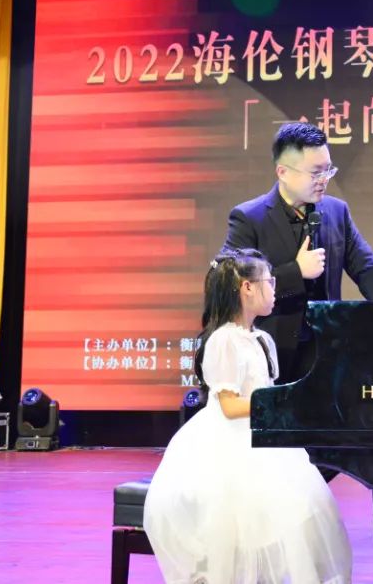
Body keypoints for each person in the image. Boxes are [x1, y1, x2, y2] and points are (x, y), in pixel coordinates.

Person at [143, 249, 352, 584]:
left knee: (303, 505)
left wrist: (282, 403)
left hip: (260, 437)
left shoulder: (261, 338)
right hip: (230, 444)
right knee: (263, 505)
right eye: (269, 281)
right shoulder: (223, 340)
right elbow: (229, 406)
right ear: (247, 288)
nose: (274, 289)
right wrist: (279, 402)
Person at [219, 122, 373, 383]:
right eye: (315, 173)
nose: (324, 180)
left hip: (328, 350)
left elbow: (367, 268)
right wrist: (296, 272)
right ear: (283, 172)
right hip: (272, 351)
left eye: (328, 170)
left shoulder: (337, 211)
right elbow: (228, 284)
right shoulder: (249, 218)